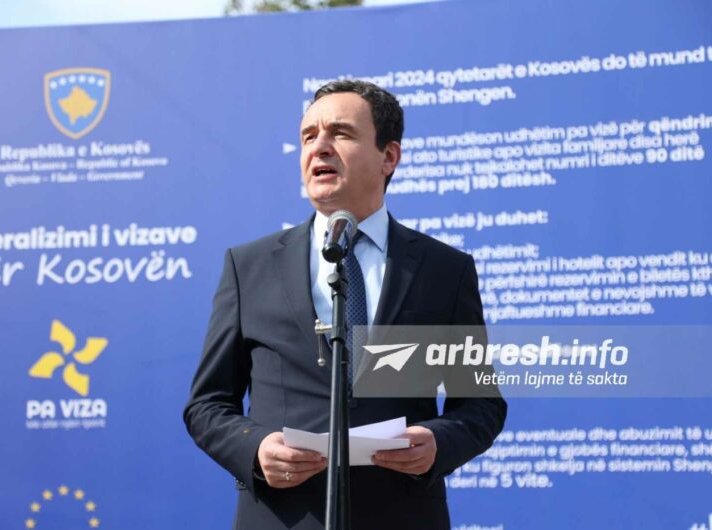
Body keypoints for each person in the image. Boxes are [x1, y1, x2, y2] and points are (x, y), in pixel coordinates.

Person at [184, 80, 506, 529]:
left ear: (389, 157)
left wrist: (437, 441)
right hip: (284, 517)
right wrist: (254, 449)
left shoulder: (444, 270)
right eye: (308, 136)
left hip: (402, 516)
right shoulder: (249, 266)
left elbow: (481, 404)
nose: (319, 147)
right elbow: (207, 404)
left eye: (340, 133)